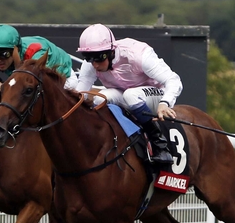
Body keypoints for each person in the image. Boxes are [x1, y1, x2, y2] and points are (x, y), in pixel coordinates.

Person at [74, 23, 182, 164]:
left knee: (130, 95)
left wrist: (164, 103)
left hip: (155, 95)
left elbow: (173, 80)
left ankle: (160, 146)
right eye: (88, 57)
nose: (94, 64)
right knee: (99, 99)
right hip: (125, 94)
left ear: (111, 51)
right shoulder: (91, 64)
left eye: (98, 58)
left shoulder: (138, 55)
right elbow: (80, 95)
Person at [0, 24, 75, 91]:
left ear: (16, 50)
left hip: (64, 78)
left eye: (4, 54)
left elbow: (34, 90)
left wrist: (2, 87)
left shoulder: (35, 54)